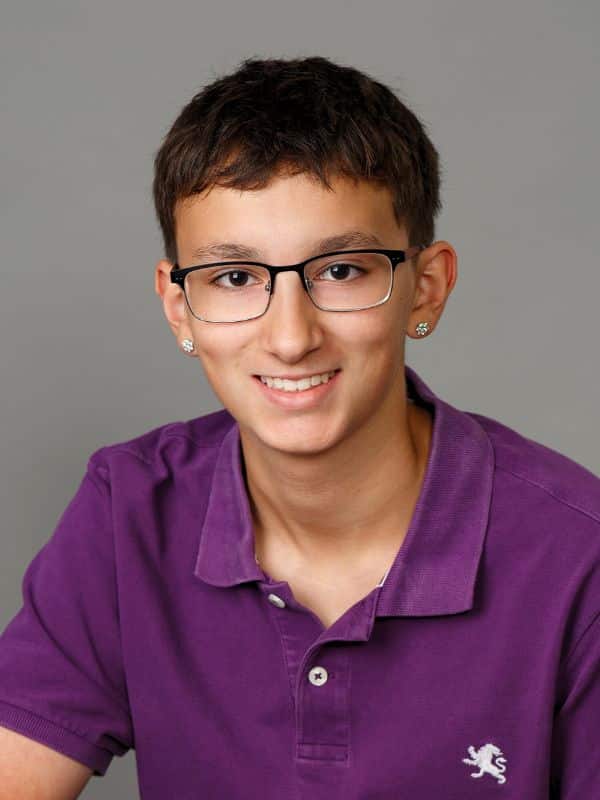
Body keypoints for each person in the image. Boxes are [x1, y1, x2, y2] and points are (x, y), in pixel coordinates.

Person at [0, 55, 598, 800]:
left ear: (427, 287)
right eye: (234, 277)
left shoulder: (579, 560)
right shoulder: (131, 510)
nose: (290, 338)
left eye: (342, 270)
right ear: (180, 308)